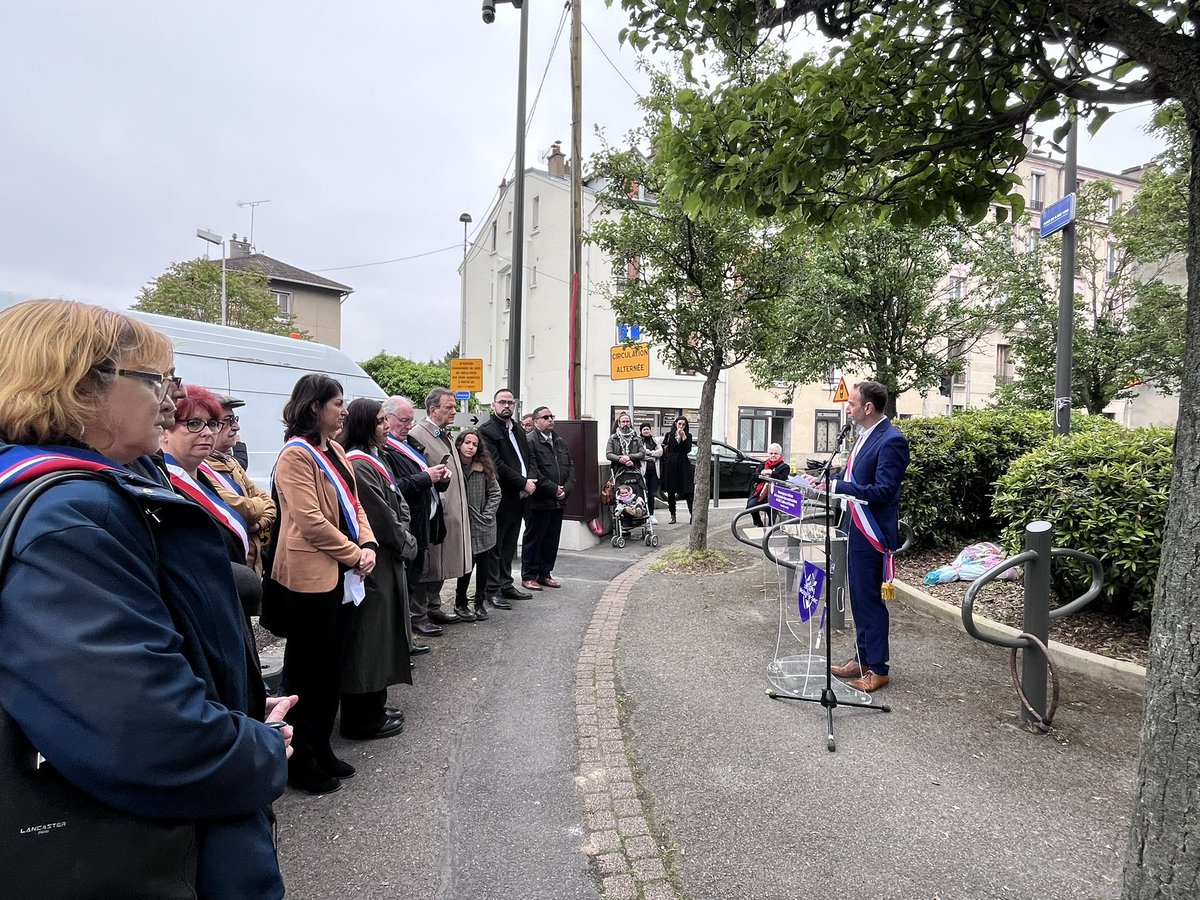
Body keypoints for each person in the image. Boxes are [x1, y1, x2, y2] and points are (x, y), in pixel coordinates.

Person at [0, 300, 290, 897]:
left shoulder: (65, 490)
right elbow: (143, 731)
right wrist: (255, 749)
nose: (170, 400)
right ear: (82, 386)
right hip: (148, 850)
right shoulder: (73, 516)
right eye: (156, 379)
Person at [270, 373, 377, 794]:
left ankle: (319, 746)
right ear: (315, 407)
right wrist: (355, 554)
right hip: (311, 579)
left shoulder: (333, 449)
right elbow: (311, 522)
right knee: (306, 673)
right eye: (337, 403)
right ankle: (298, 761)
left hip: (344, 576)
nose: (344, 410)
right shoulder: (294, 457)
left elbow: (355, 504)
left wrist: (367, 543)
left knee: (332, 667)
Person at [803, 380, 910, 693]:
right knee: (858, 598)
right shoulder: (864, 436)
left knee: (869, 601)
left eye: (851, 403)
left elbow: (884, 491)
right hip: (855, 527)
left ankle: (878, 669)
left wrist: (838, 488)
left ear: (868, 407)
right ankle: (862, 658)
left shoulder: (892, 440)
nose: (847, 408)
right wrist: (825, 480)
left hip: (872, 531)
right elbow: (854, 476)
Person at [340, 398, 414, 741]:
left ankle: (375, 706)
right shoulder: (359, 463)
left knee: (381, 637)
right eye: (382, 421)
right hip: (377, 562)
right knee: (369, 640)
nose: (387, 427)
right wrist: (407, 543)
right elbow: (381, 517)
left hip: (386, 560)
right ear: (366, 424)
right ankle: (362, 718)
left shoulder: (373, 457)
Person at [159, 386, 253, 569]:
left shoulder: (206, 473)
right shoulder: (162, 483)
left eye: (212, 423)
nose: (208, 432)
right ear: (165, 432)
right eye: (194, 423)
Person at [381, 395, 449, 643]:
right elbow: (395, 488)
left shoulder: (409, 444)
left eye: (411, 420)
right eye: (404, 420)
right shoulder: (385, 449)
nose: (409, 425)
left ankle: (407, 637)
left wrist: (441, 479)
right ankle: (404, 638)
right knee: (406, 584)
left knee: (414, 579)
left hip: (424, 523)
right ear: (387, 419)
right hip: (407, 526)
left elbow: (425, 480)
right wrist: (426, 478)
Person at [410, 387, 473, 625]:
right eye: (449, 407)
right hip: (434, 512)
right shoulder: (418, 434)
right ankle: (419, 613)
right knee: (429, 564)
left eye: (455, 407)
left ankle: (433, 606)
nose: (454, 411)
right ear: (433, 409)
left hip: (451, 510)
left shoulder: (443, 433)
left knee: (442, 563)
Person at [204, 392, 276, 575]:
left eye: (235, 419)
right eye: (228, 420)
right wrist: (257, 509)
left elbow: (269, 504)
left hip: (251, 567)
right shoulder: (201, 468)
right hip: (230, 571)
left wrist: (258, 525)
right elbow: (246, 510)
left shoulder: (232, 463)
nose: (236, 427)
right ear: (211, 425)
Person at [479, 387, 536, 608]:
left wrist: (528, 482)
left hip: (521, 496)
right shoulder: (487, 431)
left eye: (510, 403)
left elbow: (528, 459)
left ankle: (506, 583)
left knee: (510, 544)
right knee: (495, 546)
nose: (506, 406)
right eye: (502, 402)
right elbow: (497, 465)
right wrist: (523, 483)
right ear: (493, 405)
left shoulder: (519, 430)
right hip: (501, 496)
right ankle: (491, 590)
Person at [522, 405, 575, 590]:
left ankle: (545, 573)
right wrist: (554, 489)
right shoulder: (530, 441)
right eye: (545, 417)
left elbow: (570, 468)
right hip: (539, 501)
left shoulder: (560, 441)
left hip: (558, 501)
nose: (550, 419)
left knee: (551, 539)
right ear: (536, 422)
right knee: (534, 538)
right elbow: (533, 471)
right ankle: (529, 575)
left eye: (552, 416)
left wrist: (565, 490)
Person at [453, 428, 501, 621]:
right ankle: (460, 602)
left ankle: (479, 602)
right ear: (459, 444)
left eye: (475, 444)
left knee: (483, 564)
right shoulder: (453, 465)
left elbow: (496, 493)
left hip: (483, 525)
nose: (471, 447)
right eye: (467, 443)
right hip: (462, 524)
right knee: (465, 565)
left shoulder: (483, 467)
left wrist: (486, 515)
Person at [747, 442, 791, 528]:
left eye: (776, 453)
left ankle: (771, 529)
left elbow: (782, 479)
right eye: (771, 453)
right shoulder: (762, 465)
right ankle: (758, 523)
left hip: (776, 494)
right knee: (751, 506)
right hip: (761, 493)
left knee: (771, 513)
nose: (773, 455)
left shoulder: (785, 467)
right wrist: (762, 474)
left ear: (780, 454)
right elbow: (754, 478)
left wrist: (772, 473)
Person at [661, 416, 695, 524]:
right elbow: (664, 449)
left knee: (688, 491)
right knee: (671, 492)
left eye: (683, 425)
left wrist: (683, 437)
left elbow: (687, 449)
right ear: (675, 424)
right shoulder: (669, 435)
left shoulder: (688, 436)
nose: (681, 426)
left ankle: (692, 515)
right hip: (671, 465)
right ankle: (673, 515)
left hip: (683, 465)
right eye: (679, 424)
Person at [606, 412, 644, 479]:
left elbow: (642, 453)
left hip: (634, 470)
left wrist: (629, 457)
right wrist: (620, 459)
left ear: (630, 423)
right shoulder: (613, 438)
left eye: (627, 421)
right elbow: (609, 454)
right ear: (619, 423)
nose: (625, 424)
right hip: (617, 471)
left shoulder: (637, 438)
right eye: (623, 422)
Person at [639, 422, 662, 516]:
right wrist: (653, 457)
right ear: (641, 431)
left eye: (647, 429)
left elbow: (660, 452)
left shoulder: (655, 441)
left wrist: (650, 453)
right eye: (644, 429)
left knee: (652, 494)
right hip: (643, 472)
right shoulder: (639, 441)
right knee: (642, 494)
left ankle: (651, 514)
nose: (646, 431)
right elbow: (641, 454)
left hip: (654, 472)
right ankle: (643, 514)